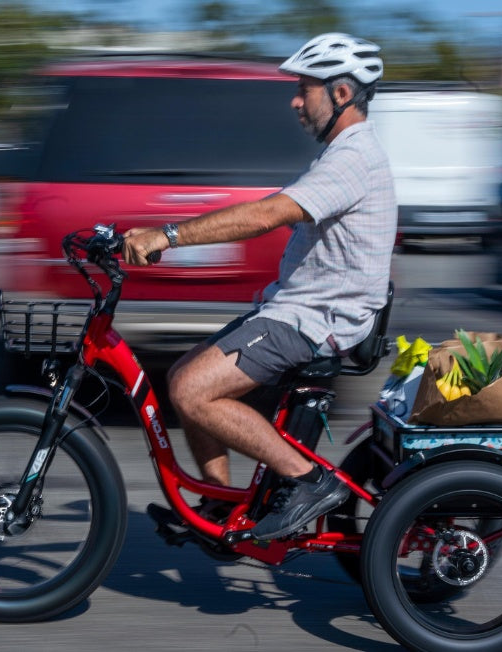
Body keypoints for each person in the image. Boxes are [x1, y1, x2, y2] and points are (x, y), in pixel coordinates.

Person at [122, 33, 396, 541]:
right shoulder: (343, 155)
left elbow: (268, 213)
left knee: (190, 389)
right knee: (185, 373)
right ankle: (221, 504)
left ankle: (308, 481)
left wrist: (168, 234)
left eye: (304, 88)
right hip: (299, 310)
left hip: (317, 321)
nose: (295, 100)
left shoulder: (353, 158)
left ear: (340, 94)